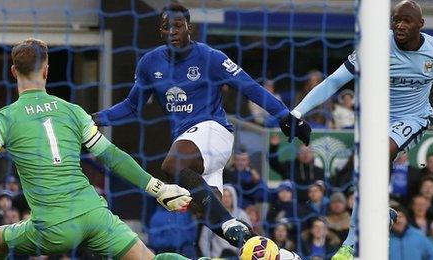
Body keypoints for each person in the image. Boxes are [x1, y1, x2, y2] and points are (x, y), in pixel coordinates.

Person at [0, 38, 192, 260]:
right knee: (150, 258)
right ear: (46, 71)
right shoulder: (73, 110)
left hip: (54, 228)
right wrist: (158, 187)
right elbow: (112, 157)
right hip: (94, 213)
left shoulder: (4, 118)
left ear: (12, 71)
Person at [91, 3, 311, 246]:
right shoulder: (150, 64)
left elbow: (249, 86)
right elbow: (132, 105)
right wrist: (98, 119)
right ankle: (263, 247)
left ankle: (231, 224)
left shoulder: (210, 57)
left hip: (214, 132)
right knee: (209, 216)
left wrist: (284, 115)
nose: (172, 31)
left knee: (172, 164)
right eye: (166, 27)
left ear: (189, 28)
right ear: (160, 32)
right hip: (189, 145)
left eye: (177, 26)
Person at [290, 1, 433, 258]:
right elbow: (334, 81)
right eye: (395, 19)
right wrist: (297, 112)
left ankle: (350, 243)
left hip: (413, 118)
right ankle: (379, 212)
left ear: (420, 24)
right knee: (366, 171)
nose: (399, 25)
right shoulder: (375, 46)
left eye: (406, 21)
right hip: (376, 120)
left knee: (379, 154)